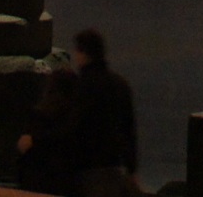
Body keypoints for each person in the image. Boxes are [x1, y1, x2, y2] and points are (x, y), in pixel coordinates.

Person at [15, 28, 141, 197]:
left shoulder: (82, 87)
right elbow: (129, 131)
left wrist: (35, 140)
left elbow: (71, 129)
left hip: (87, 171)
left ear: (83, 53)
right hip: (115, 170)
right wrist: (131, 169)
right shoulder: (120, 85)